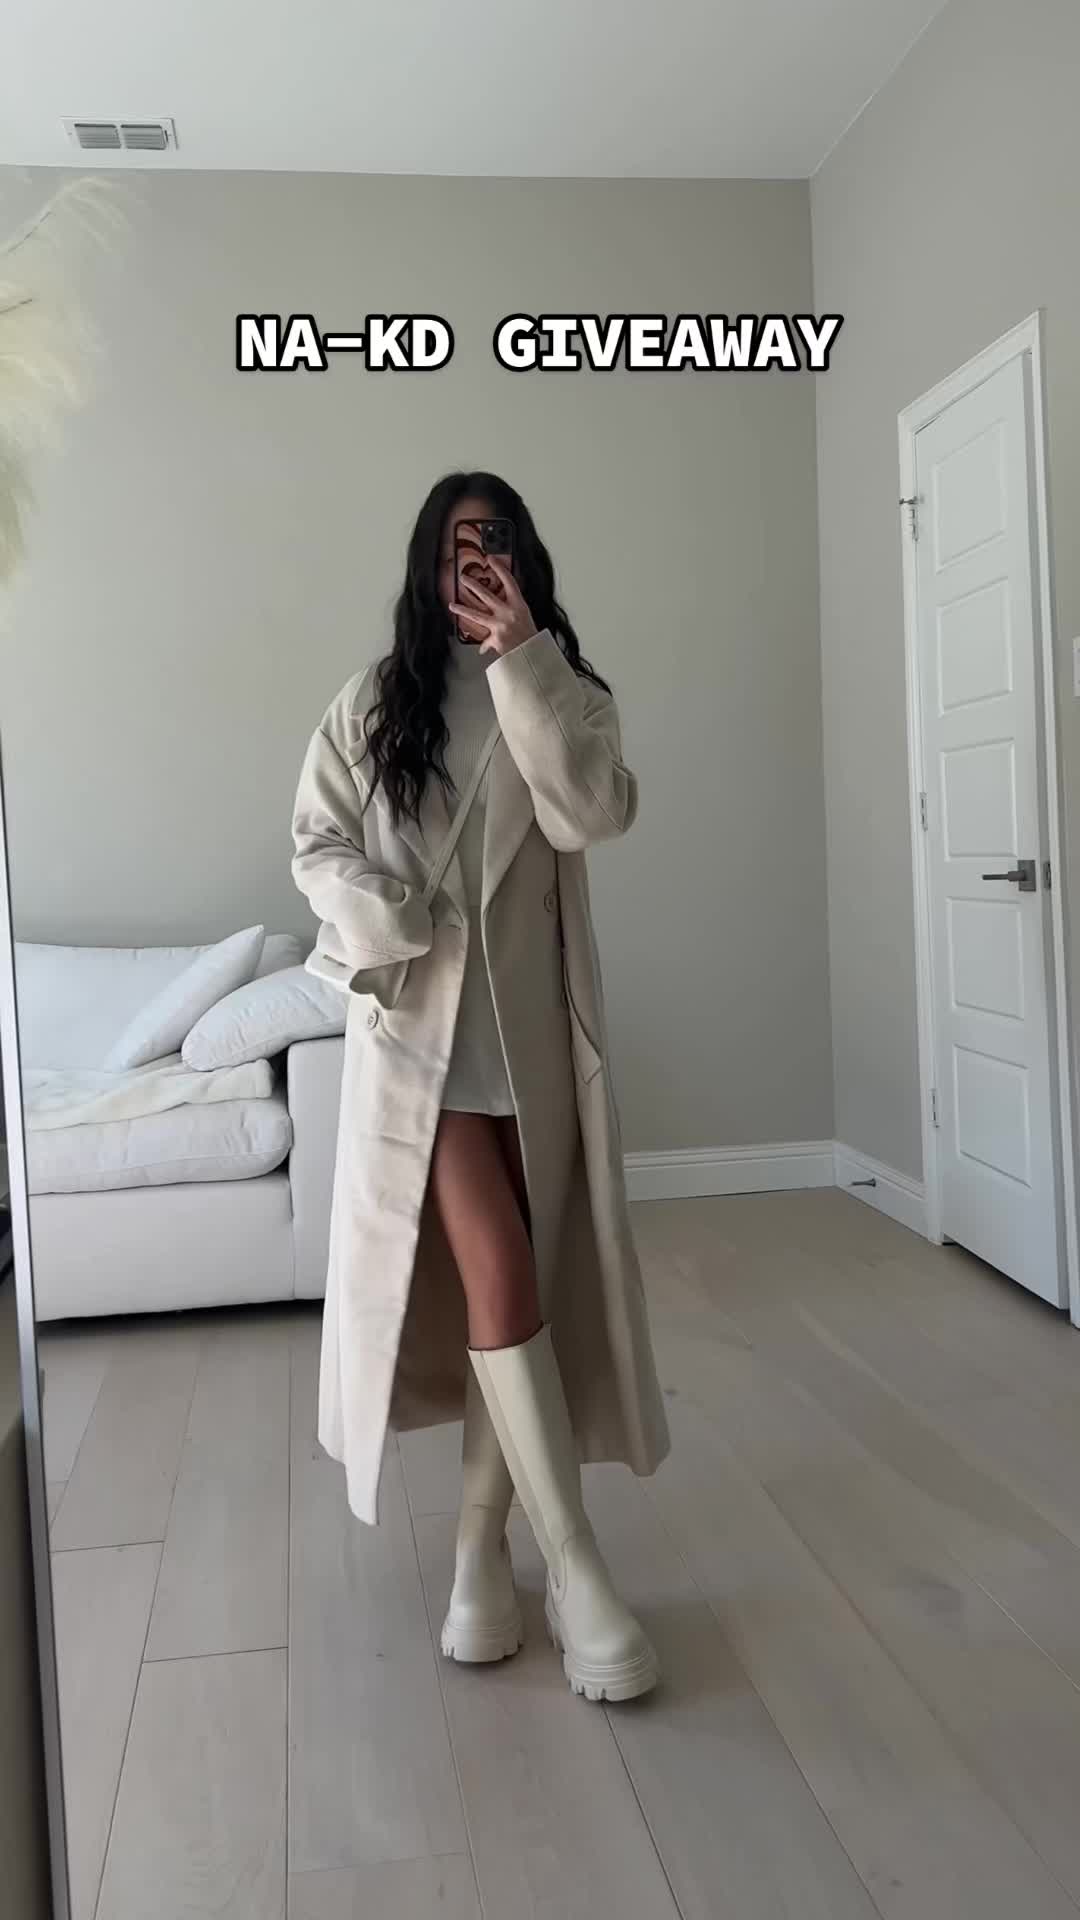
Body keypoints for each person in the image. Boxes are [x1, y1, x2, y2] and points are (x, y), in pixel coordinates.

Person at [290, 469, 670, 1703]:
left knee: (523, 1299)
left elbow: (592, 815)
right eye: (456, 542)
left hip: (534, 1050)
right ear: (426, 561)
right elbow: (316, 844)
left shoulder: (563, 689)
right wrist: (386, 916)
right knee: (501, 1276)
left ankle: (474, 1557)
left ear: (521, 555)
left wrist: (524, 662)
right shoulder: (373, 701)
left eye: (493, 538)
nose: (475, 558)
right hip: (423, 1049)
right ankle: (575, 1565)